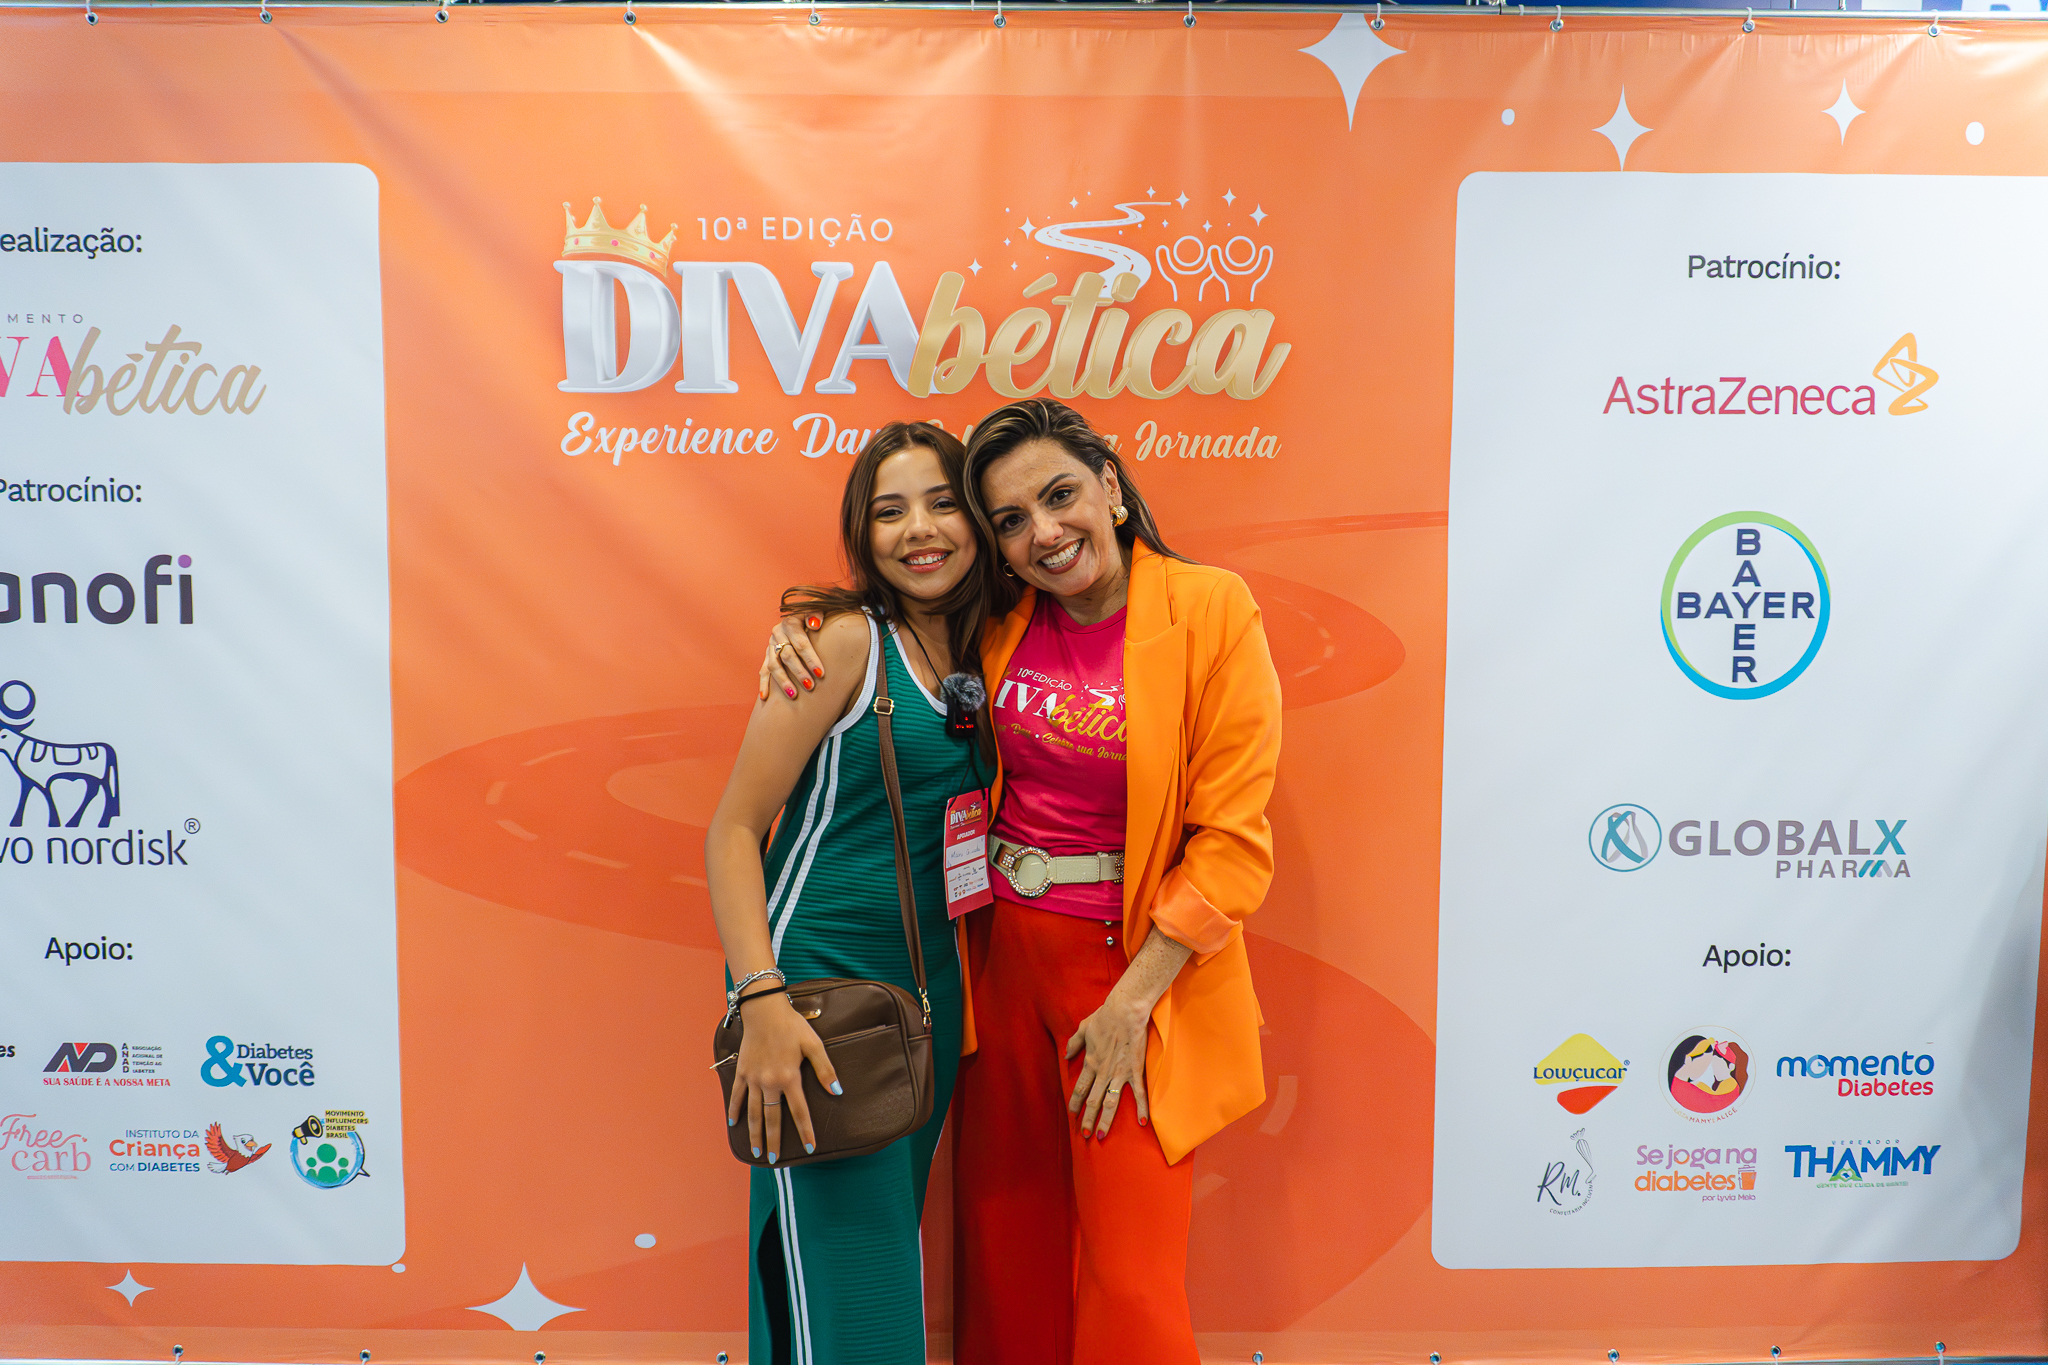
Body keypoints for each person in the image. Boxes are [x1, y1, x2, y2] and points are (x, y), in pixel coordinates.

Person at [761, 398, 1283, 1365]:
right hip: (996, 966)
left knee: (1130, 1277)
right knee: (1008, 1255)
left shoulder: (1210, 609)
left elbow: (1232, 845)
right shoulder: (996, 619)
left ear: (1110, 487)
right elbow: (888, 626)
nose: (1044, 532)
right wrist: (800, 629)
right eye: (1009, 519)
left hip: (1129, 974)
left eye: (1060, 495)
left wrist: (1133, 1002)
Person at [707, 421, 988, 1365]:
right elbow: (734, 830)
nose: (921, 530)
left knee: (874, 1271)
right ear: (863, 535)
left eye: (943, 503)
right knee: (842, 1284)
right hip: (816, 992)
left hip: (928, 1000)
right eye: (890, 511)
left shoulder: (986, 647)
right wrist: (762, 1000)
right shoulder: (841, 644)